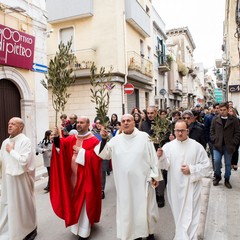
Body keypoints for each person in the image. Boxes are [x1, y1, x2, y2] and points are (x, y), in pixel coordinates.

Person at [95, 114, 161, 240]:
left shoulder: (144, 137)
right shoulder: (116, 140)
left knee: (146, 209)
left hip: (143, 182)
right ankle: (133, 235)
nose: (125, 123)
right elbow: (103, 154)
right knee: (128, 211)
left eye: (128, 120)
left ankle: (149, 232)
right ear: (120, 124)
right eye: (123, 121)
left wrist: (154, 175)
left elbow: (153, 158)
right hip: (124, 184)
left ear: (134, 122)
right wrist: (104, 139)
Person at [51, 116, 102, 240]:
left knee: (85, 205)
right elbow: (60, 147)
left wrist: (82, 152)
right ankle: (76, 228)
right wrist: (57, 138)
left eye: (82, 122)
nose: (79, 124)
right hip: (72, 179)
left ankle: (84, 231)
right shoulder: (71, 139)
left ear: (88, 124)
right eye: (78, 122)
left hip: (86, 179)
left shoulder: (94, 141)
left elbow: (97, 159)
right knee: (74, 204)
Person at [157, 120, 210, 240]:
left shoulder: (196, 146)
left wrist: (191, 169)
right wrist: (161, 157)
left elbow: (206, 166)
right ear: (174, 131)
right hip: (175, 186)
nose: (179, 133)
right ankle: (181, 236)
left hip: (192, 187)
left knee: (192, 215)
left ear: (187, 130)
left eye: (182, 130)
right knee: (179, 215)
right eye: (177, 130)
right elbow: (164, 165)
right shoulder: (168, 147)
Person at [0, 117, 37, 240]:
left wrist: (11, 151)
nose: (9, 125)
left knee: (23, 205)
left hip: (21, 181)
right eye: (9, 123)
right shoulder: (5, 142)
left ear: (20, 127)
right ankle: (11, 230)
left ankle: (30, 229)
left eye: (13, 124)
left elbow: (24, 161)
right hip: (7, 180)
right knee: (7, 205)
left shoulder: (25, 141)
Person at [141, 106, 166, 208]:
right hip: (147, 152)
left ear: (156, 113)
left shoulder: (162, 122)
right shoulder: (143, 124)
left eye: (152, 113)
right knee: (149, 173)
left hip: (159, 151)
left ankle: (160, 196)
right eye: (148, 113)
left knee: (159, 173)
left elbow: (167, 135)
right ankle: (153, 193)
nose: (150, 115)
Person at [210, 102, 240, 189]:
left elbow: (237, 132)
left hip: (228, 146)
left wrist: (234, 142)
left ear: (228, 109)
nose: (222, 111)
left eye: (224, 110)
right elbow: (212, 131)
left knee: (227, 164)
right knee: (216, 161)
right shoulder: (215, 119)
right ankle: (218, 176)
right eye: (221, 110)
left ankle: (227, 179)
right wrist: (214, 140)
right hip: (217, 145)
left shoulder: (233, 120)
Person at [91, 118, 112, 199]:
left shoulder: (108, 133)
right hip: (94, 154)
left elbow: (110, 145)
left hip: (104, 155)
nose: (98, 124)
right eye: (96, 123)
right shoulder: (92, 133)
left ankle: (101, 190)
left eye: (100, 123)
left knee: (102, 172)